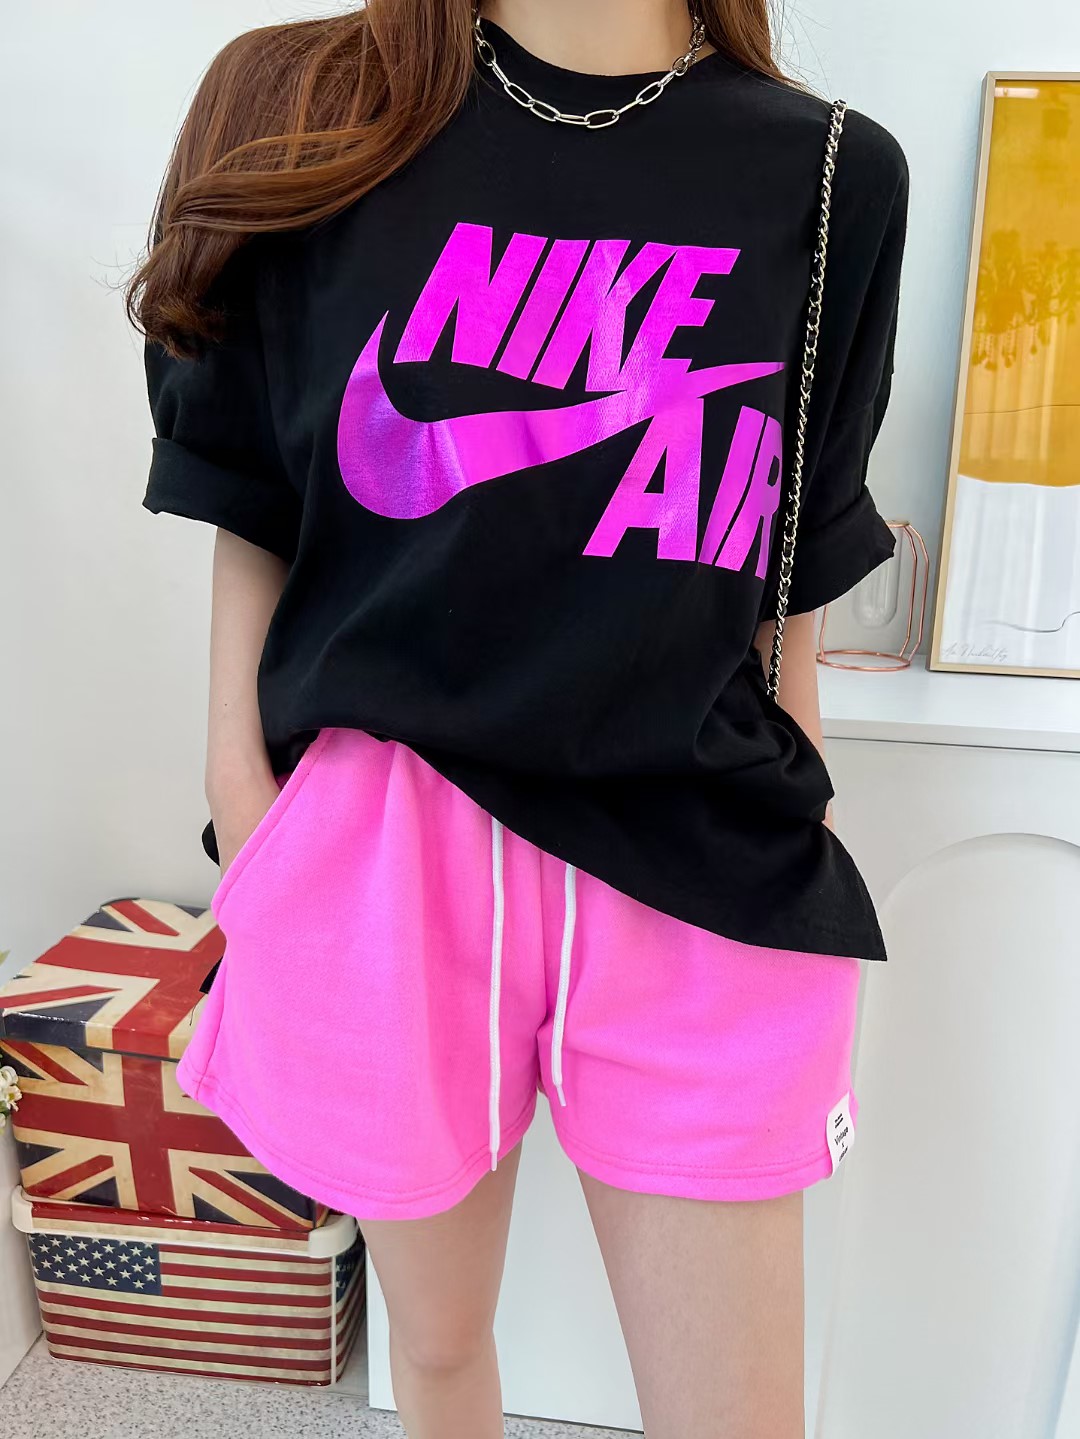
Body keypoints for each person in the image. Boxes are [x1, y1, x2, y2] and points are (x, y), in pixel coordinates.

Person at [128, 2, 908, 1434]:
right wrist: (246, 794)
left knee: (738, 1417)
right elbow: (246, 483)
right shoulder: (307, 106)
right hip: (388, 842)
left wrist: (805, 791)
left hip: (697, 845)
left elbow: (793, 548)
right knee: (432, 1357)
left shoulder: (834, 171)